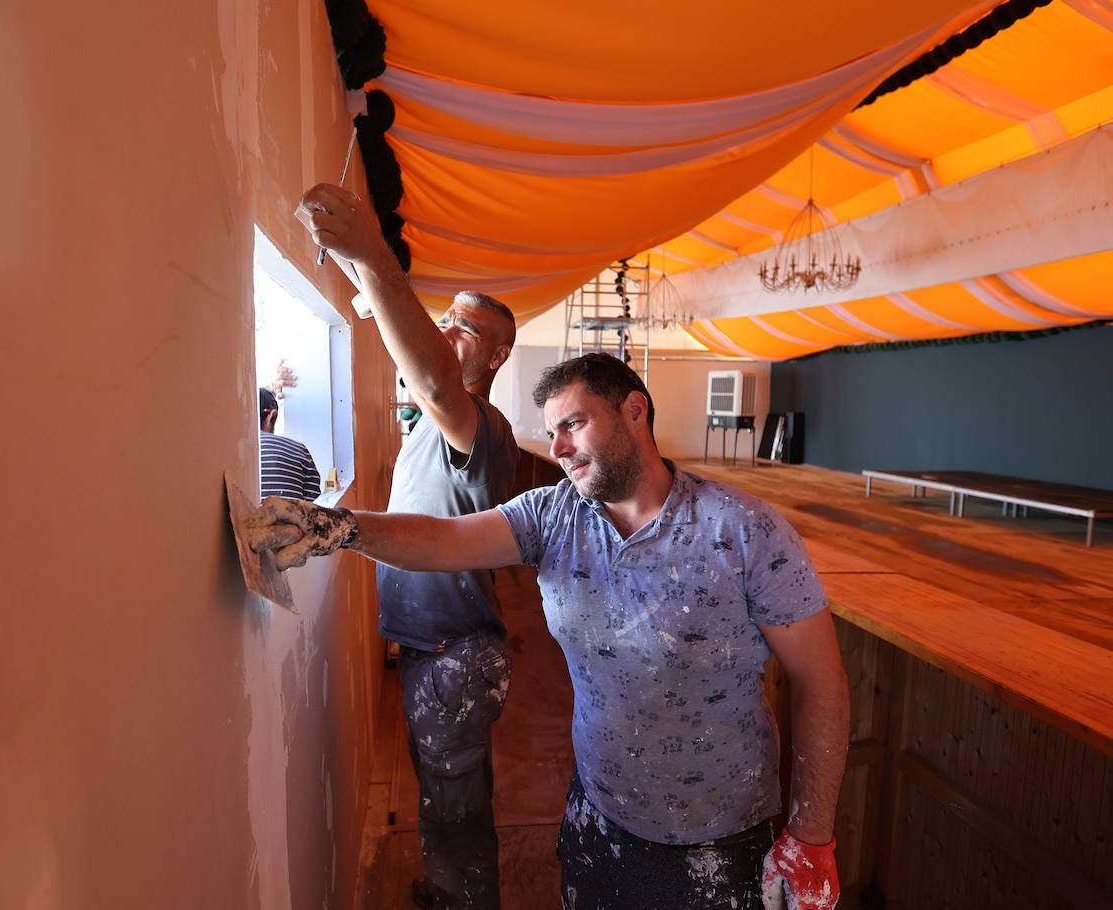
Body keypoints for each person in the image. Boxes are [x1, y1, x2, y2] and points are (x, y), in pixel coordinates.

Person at [247, 352, 851, 910]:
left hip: (724, 837)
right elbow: (441, 538)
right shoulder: (552, 515)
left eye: (574, 424)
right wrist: (340, 527)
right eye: (553, 429)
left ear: (634, 411)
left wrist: (812, 836)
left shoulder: (745, 531)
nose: (558, 446)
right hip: (598, 815)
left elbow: (820, 681)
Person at [296, 183, 520, 909]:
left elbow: (432, 376)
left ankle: (464, 900)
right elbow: (415, 354)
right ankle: (451, 891)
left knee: (456, 814)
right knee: (446, 797)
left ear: (498, 355)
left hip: (456, 653)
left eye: (466, 329)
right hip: (438, 649)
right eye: (445, 319)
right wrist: (362, 274)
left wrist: (372, 253)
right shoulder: (434, 423)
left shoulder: (475, 426)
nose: (448, 331)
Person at [258, 386, 321, 502]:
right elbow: (314, 510)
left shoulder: (227, 452)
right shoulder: (299, 450)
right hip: (288, 520)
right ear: (271, 416)